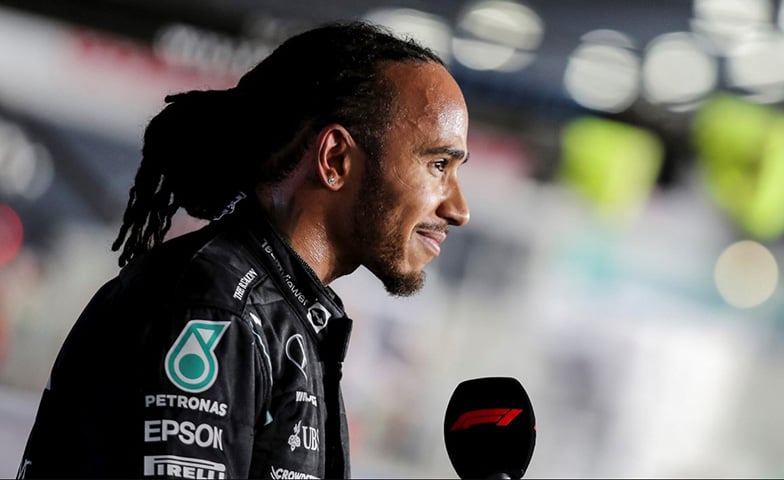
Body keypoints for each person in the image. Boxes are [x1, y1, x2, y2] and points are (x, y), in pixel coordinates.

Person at [18, 20, 470, 479]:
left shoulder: (281, 311)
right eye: (438, 165)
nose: (458, 209)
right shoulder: (217, 306)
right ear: (335, 159)